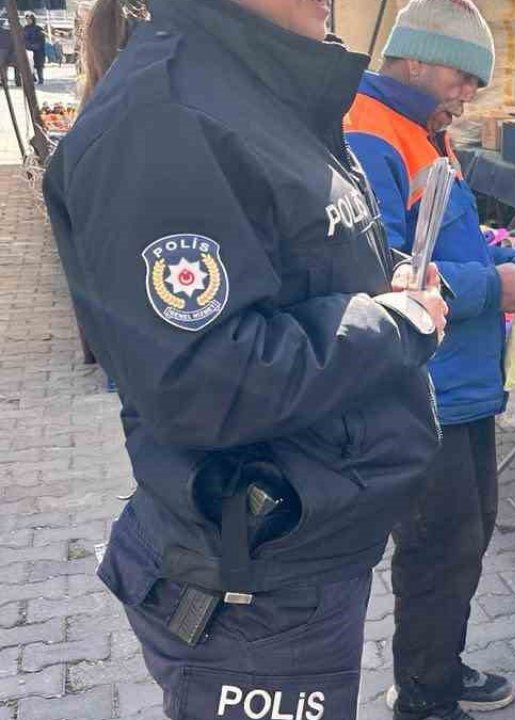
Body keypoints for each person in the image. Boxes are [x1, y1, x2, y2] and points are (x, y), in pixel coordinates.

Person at [41, 0, 451, 714]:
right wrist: (396, 324)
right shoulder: (166, 117)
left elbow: (298, 276)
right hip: (255, 585)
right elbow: (202, 376)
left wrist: (386, 293)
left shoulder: (261, 83)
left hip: (304, 552)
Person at [343, 2, 515, 718]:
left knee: (466, 539)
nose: (468, 93)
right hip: (421, 385)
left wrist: (503, 255)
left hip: (464, 383)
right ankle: (424, 699)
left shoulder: (426, 132)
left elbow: (445, 241)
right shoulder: (371, 134)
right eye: (462, 77)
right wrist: (490, 286)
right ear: (414, 58)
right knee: (438, 549)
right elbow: (384, 272)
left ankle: (441, 664)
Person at [22, 13, 44, 84]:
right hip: (28, 48)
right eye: (27, 19)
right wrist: (28, 45)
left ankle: (41, 79)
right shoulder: (25, 28)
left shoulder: (38, 28)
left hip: (38, 49)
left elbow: (42, 40)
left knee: (39, 65)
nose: (28, 21)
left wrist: (37, 46)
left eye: (29, 19)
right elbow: (23, 39)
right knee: (29, 64)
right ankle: (32, 77)